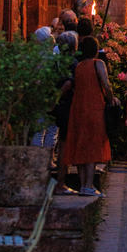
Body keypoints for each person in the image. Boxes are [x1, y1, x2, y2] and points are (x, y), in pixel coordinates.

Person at [63, 36, 118, 196]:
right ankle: (88, 185)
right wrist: (111, 98)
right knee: (93, 145)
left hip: (78, 108)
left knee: (81, 145)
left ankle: (82, 185)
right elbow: (105, 84)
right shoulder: (98, 64)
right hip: (94, 107)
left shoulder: (79, 66)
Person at [53, 31, 79, 194]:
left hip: (59, 105)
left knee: (61, 142)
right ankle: (61, 182)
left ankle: (61, 181)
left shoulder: (56, 61)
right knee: (64, 143)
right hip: (67, 105)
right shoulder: (72, 62)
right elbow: (68, 84)